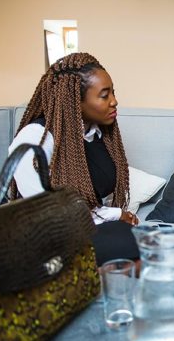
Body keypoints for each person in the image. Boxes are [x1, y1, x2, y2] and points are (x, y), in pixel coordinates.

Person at [9, 52, 139, 266]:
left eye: (113, 92)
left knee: (140, 241)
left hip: (83, 229)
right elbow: (49, 210)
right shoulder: (36, 137)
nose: (114, 101)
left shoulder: (97, 133)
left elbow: (90, 199)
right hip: (49, 235)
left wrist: (117, 217)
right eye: (104, 95)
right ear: (75, 102)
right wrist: (115, 215)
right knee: (132, 247)